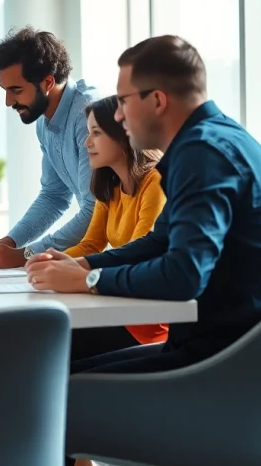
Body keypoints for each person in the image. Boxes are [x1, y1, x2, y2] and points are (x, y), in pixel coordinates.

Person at [26, 35, 261, 376]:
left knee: (48, 382)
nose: (118, 115)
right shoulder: (213, 140)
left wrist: (89, 281)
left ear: (158, 100)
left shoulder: (203, 153)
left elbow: (183, 275)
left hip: (234, 361)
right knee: (51, 369)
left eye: (123, 101)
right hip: (228, 343)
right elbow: (157, 242)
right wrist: (83, 265)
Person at [0, 27, 97, 269]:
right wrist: (8, 244)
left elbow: (95, 210)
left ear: (47, 82)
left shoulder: (88, 116)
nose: (8, 102)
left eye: (16, 90)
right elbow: (54, 197)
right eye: (5, 91)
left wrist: (26, 255)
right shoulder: (45, 121)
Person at [59, 96, 168, 362]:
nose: (87, 143)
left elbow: (143, 251)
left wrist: (72, 270)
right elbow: (90, 245)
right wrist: (49, 260)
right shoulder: (110, 185)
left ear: (123, 135)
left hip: (145, 322)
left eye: (96, 133)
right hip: (119, 304)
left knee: (53, 345)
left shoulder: (156, 182)